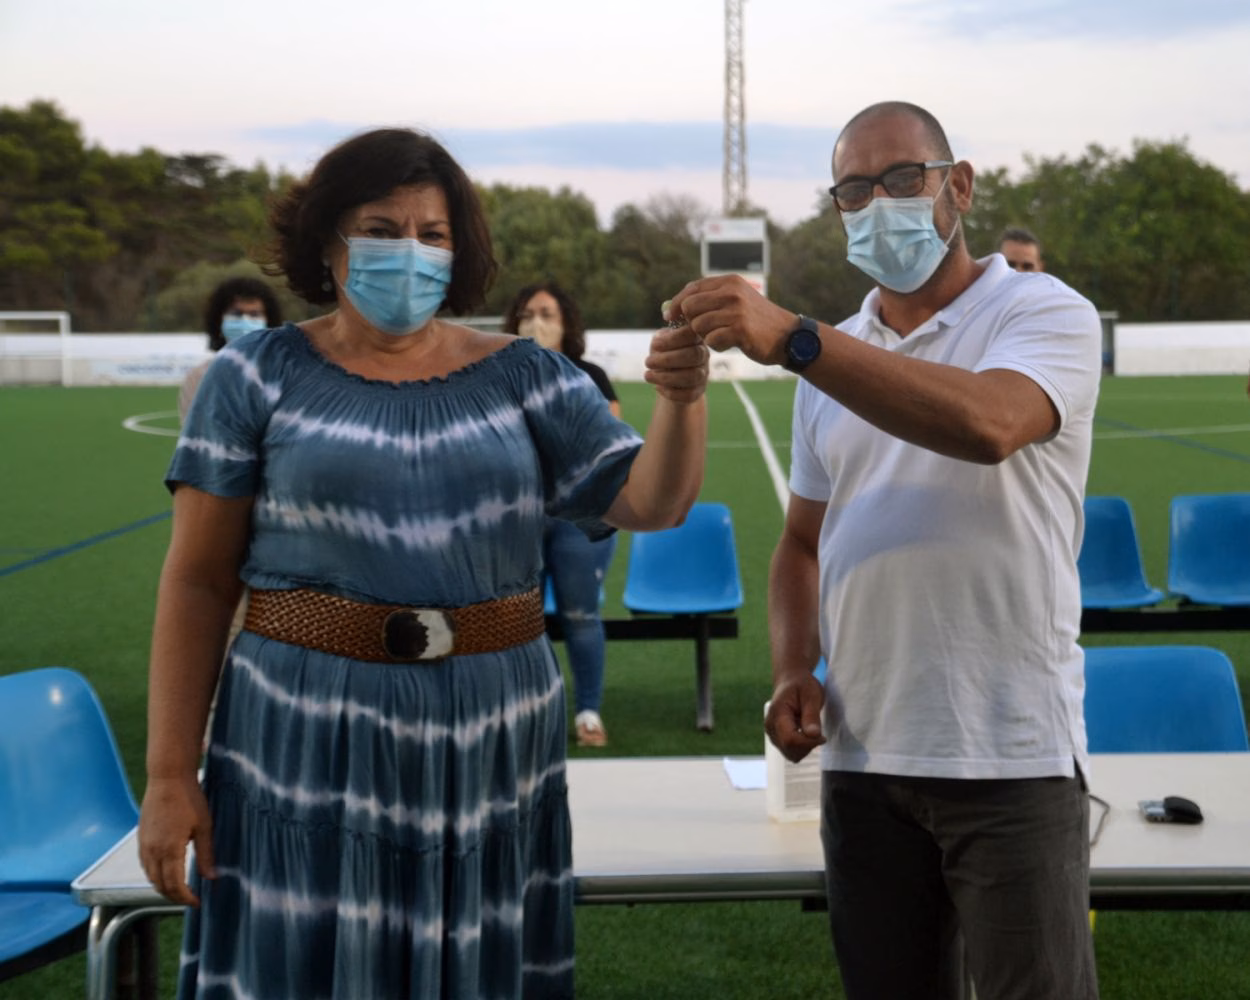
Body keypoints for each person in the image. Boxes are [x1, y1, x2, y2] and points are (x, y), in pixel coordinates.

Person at [138, 126, 709, 1000]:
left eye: (431, 234)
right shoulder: (253, 376)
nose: (408, 251)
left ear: (459, 249)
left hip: (489, 738)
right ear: (328, 242)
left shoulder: (527, 374)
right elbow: (199, 580)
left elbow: (653, 502)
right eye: (380, 227)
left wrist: (684, 396)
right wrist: (172, 775)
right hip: (301, 737)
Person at [667, 101, 1102, 999]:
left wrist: (794, 338)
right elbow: (800, 542)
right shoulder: (836, 360)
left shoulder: (1043, 311)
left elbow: (989, 424)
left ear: (960, 187)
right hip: (863, 760)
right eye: (855, 190)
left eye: (903, 179)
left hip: (1006, 751)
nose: (880, 205)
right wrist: (793, 669)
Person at [503, 281, 619, 747]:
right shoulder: (498, 376)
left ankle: (588, 712)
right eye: (528, 313)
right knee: (513, 617)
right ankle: (526, 711)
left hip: (576, 516)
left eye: (548, 313)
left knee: (579, 613)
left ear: (567, 322)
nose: (537, 323)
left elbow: (606, 443)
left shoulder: (589, 376)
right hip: (517, 516)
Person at [178, 276, 283, 420]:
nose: (245, 321)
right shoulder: (199, 377)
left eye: (254, 315)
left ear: (269, 322)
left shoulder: (282, 374)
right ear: (218, 321)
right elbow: (193, 432)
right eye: (236, 314)